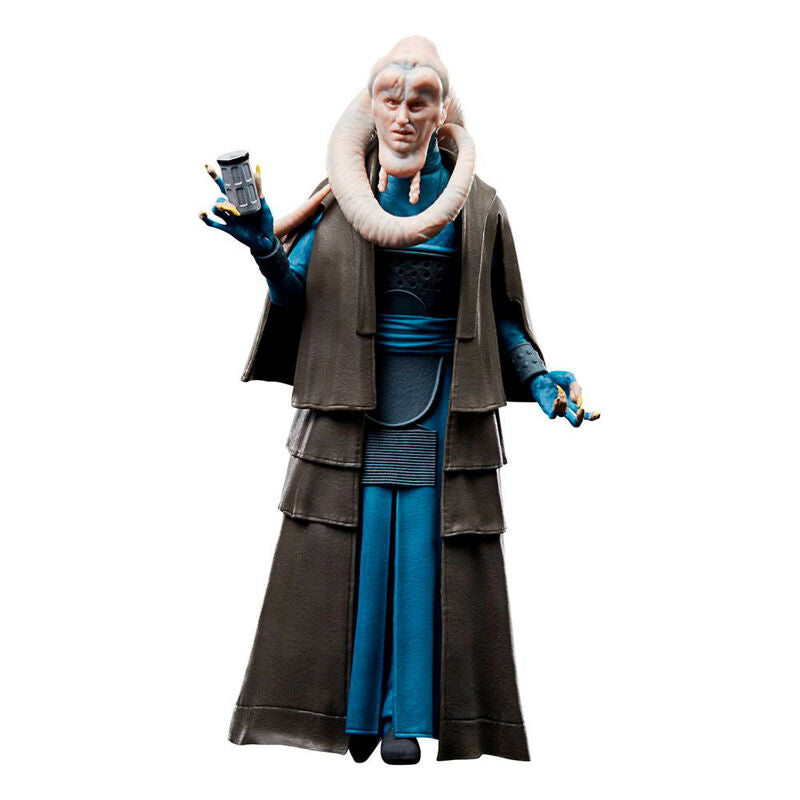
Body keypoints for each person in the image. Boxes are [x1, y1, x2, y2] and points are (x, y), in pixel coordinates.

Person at [200, 36, 598, 764]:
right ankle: (355, 710)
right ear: (370, 108)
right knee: (352, 552)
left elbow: (501, 315)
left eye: (420, 101)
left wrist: (539, 378)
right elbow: (297, 299)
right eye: (391, 99)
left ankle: (404, 715)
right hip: (355, 400)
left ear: (443, 112)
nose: (404, 116)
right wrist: (264, 248)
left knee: (422, 555)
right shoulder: (335, 202)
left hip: (443, 405)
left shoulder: (479, 208)